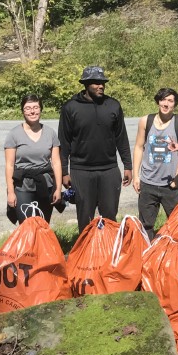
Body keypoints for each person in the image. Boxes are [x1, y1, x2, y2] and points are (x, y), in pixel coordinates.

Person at [59, 65, 132, 232]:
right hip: (81, 171)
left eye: (103, 83)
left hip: (109, 170)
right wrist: (64, 172)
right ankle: (86, 254)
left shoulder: (113, 105)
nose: (101, 86)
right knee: (85, 219)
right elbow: (64, 142)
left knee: (110, 218)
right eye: (96, 83)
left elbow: (121, 138)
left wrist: (128, 166)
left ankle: (109, 253)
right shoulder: (70, 107)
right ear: (86, 84)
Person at [133, 87, 178, 237]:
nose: (166, 104)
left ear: (175, 105)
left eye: (170, 101)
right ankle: (145, 256)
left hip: (171, 185)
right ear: (158, 101)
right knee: (146, 226)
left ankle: (176, 257)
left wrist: (176, 178)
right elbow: (138, 147)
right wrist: (136, 176)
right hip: (148, 182)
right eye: (163, 100)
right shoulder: (146, 121)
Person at [4, 93, 62, 223]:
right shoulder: (14, 134)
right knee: (27, 224)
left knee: (43, 223)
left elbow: (57, 163)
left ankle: (41, 244)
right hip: (22, 185)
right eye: (28, 108)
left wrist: (58, 188)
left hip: (45, 183)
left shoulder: (50, 133)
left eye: (35, 107)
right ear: (23, 111)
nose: (32, 111)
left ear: (41, 109)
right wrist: (10, 192)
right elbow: (9, 165)